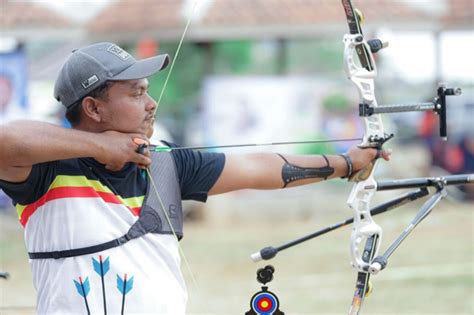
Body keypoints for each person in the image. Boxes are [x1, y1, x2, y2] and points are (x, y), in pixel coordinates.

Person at [0, 42, 390, 314]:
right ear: (93, 108)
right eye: (136, 94)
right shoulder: (46, 170)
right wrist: (102, 148)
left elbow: (258, 168)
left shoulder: (164, 163)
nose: (152, 103)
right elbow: (6, 139)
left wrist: (346, 163)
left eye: (148, 91)